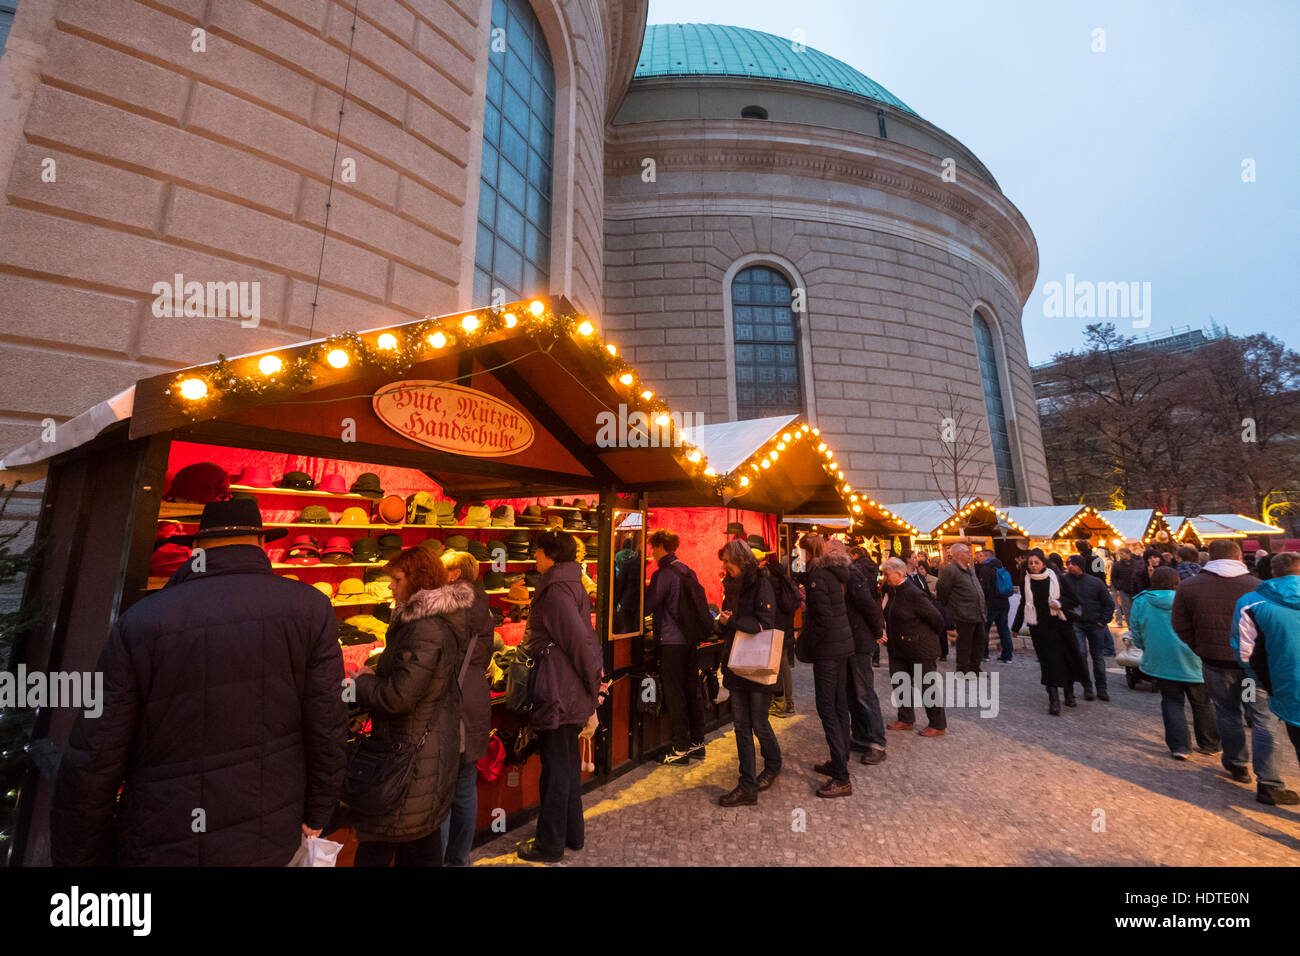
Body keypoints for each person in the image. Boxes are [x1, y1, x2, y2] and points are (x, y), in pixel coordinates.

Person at [51, 499, 347, 866]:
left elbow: (96, 752)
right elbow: (327, 723)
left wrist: (79, 856)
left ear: (195, 549)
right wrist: (318, 811)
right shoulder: (311, 608)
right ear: (260, 541)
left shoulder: (142, 620)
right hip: (271, 832)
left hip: (164, 834)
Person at [347, 546, 471, 866]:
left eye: (396, 578)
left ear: (418, 581)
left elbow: (400, 696)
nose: (391, 585)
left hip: (410, 755)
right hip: (422, 752)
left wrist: (361, 683)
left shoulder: (425, 627)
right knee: (418, 839)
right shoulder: (426, 622)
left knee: (384, 839)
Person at [1172, 539, 1297, 805]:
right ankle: (1269, 781)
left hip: (1215, 664)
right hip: (1251, 671)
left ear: (1208, 557)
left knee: (1226, 712)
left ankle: (1237, 763)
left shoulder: (1189, 586)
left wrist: (1200, 647)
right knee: (1262, 717)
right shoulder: (1258, 588)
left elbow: (1180, 625)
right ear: (1239, 555)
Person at [516, 529, 603, 862]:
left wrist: (594, 686)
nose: (534, 557)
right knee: (564, 765)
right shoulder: (571, 582)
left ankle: (549, 844)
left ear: (549, 553)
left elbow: (579, 641)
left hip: (558, 690)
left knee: (556, 769)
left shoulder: (554, 589)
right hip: (568, 688)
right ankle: (572, 834)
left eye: (537, 551)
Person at [438, 549, 495, 867]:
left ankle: (438, 860)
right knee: (465, 786)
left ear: (455, 574)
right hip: (475, 696)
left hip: (452, 700)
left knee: (442, 791)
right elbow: (483, 657)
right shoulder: (483, 605)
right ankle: (459, 859)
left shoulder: (448, 605)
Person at [1130, 566, 1221, 759]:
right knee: (1203, 703)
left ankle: (1180, 747)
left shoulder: (1141, 601)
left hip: (1161, 658)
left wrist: (1146, 647)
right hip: (1193, 658)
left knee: (1172, 702)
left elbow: (1136, 630)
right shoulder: (1190, 597)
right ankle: (1209, 743)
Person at [715, 539, 780, 805]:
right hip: (735, 661)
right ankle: (747, 785)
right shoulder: (730, 585)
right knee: (741, 725)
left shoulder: (761, 583)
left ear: (740, 561)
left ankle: (774, 763)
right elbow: (729, 620)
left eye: (728, 562)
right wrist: (723, 622)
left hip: (757, 663)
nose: (725, 567)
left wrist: (733, 621)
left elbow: (765, 623)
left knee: (759, 722)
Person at [795, 533, 855, 798]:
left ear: (807, 553)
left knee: (827, 708)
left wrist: (804, 643)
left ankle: (841, 776)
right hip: (842, 645)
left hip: (829, 649)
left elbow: (822, 618)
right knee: (840, 705)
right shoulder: (833, 574)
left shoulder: (819, 577)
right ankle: (840, 759)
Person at [643, 528, 707, 765]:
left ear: (660, 547)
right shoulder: (687, 571)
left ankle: (680, 748)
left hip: (671, 642)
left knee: (675, 695)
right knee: (692, 691)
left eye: (653, 547)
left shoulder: (664, 575)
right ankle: (697, 743)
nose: (652, 552)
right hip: (690, 641)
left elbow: (647, 606)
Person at [1233, 552, 1300, 763]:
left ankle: (1268, 781)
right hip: (1281, 683)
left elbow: (1245, 652)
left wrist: (1256, 680)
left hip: (1281, 684)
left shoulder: (1251, 602)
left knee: (1262, 719)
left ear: (1273, 571)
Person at [880, 557, 947, 736]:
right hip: (898, 647)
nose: (884, 577)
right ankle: (906, 719)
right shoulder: (890, 589)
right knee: (900, 682)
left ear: (899, 573)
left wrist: (924, 636)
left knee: (926, 686)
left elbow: (937, 619)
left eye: (887, 574)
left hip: (919, 647)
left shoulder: (913, 593)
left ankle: (938, 724)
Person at [835, 539, 887, 765]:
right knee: (851, 691)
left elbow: (867, 604)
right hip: (848, 640)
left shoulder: (853, 574)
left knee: (863, 691)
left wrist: (877, 631)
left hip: (859, 640)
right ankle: (861, 736)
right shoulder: (843, 574)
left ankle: (877, 742)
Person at [1021, 549, 1088, 715]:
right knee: (1048, 664)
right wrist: (1015, 628)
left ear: (1043, 563)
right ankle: (1054, 700)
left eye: (1036, 562)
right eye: (1031, 563)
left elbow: (1073, 600)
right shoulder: (1027, 581)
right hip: (1040, 628)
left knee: (1067, 660)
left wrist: (1058, 603)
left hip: (1060, 626)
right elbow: (1024, 603)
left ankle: (1069, 693)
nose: (1034, 566)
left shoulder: (1057, 578)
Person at [1063, 555, 1115, 701]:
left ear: (1080, 565)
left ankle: (1102, 688)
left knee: (1098, 657)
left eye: (1073, 564)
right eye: (1068, 564)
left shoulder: (1095, 582)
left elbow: (1108, 603)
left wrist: (1103, 621)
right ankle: (1088, 687)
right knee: (1080, 656)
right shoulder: (1064, 581)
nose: (1070, 566)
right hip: (1076, 623)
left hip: (1094, 623)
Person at [937, 542, 987, 675]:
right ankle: (963, 669)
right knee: (965, 643)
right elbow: (942, 590)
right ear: (957, 554)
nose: (970, 554)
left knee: (979, 641)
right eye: (966, 552)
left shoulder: (970, 569)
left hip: (977, 612)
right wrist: (952, 606)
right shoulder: (951, 570)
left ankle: (975, 667)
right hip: (963, 612)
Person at [765, 552, 802, 719]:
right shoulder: (786, 581)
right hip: (786, 627)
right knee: (784, 665)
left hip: (776, 628)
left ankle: (780, 704)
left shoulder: (770, 583)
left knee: (777, 667)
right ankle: (789, 703)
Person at [976, 547, 1014, 663]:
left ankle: (984, 654)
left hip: (991, 604)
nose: (978, 558)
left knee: (985, 629)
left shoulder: (985, 569)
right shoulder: (1000, 567)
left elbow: (984, 589)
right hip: (1003, 602)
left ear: (987, 556)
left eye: (980, 556)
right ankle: (1007, 656)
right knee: (1004, 629)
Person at [849, 546, 883, 664]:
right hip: (872, 597)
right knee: (872, 624)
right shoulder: (872, 565)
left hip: (862, 596)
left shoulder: (857, 567)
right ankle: (876, 657)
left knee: (865, 626)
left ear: (855, 555)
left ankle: (870, 654)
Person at [1112, 547, 1135, 627]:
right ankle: (1130, 628)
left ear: (1128, 554)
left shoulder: (1135, 564)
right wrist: (1119, 587)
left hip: (1135, 590)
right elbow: (1114, 578)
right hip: (1124, 591)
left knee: (1136, 610)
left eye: (1122, 553)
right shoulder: (1117, 565)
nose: (1120, 555)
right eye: (1119, 554)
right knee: (1127, 611)